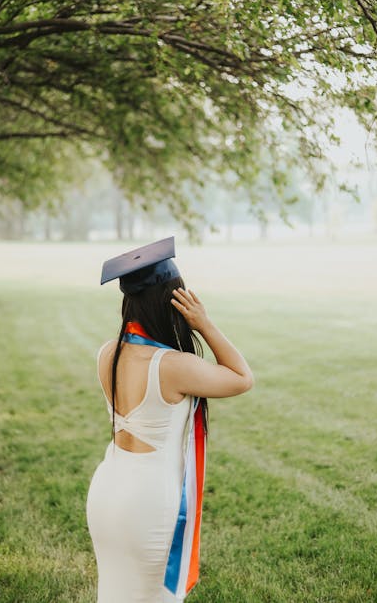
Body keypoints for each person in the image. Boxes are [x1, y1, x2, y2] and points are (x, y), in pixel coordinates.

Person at [86, 237, 254, 603]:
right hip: (147, 500)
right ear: (172, 304)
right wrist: (204, 324)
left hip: (106, 489)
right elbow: (243, 377)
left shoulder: (107, 353)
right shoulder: (175, 367)